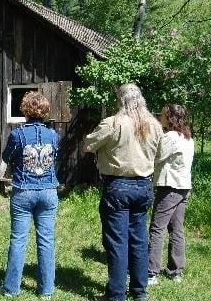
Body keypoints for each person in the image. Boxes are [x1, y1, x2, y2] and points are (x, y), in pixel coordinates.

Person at [83, 84, 163, 301]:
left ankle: (116, 294)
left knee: (117, 242)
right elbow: (160, 155)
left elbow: (87, 145)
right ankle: (139, 292)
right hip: (144, 186)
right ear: (141, 100)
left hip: (118, 185)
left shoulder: (113, 123)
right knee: (139, 240)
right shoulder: (154, 125)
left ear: (121, 100)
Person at [0, 92, 59, 298]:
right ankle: (46, 290)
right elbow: (55, 157)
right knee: (46, 240)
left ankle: (11, 288)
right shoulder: (53, 135)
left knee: (18, 240)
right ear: (44, 111)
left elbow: (6, 156)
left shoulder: (18, 134)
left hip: (24, 191)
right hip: (48, 190)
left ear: (25, 110)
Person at [148, 104, 194, 285]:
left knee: (157, 229)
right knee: (177, 229)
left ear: (170, 118)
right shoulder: (187, 137)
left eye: (163, 115)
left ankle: (151, 272)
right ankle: (176, 271)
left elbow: (155, 157)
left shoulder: (170, 137)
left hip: (169, 187)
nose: (160, 117)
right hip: (183, 187)